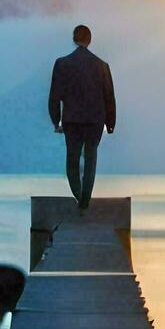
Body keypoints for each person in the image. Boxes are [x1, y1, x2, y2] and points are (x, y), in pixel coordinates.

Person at [48, 24, 116, 211]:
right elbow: (109, 97)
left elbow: (55, 96)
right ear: (90, 39)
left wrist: (56, 121)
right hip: (95, 121)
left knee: (72, 160)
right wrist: (110, 123)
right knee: (90, 159)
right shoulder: (102, 66)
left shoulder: (62, 64)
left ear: (73, 38)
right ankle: (85, 199)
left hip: (72, 121)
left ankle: (80, 198)